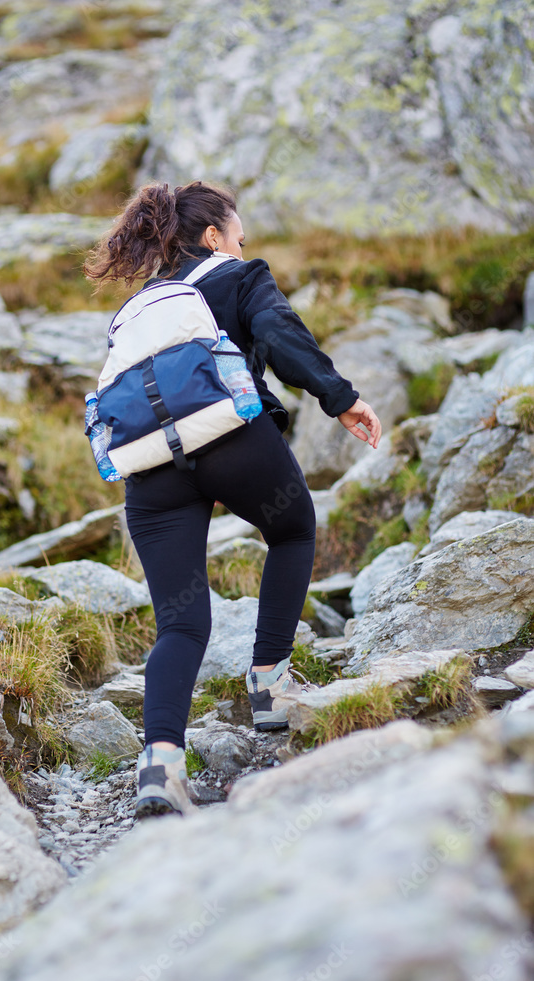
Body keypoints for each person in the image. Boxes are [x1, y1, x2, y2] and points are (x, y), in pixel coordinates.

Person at [84, 180, 381, 820]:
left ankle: (161, 766)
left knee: (182, 626)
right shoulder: (238, 277)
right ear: (214, 236)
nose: (244, 242)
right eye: (238, 232)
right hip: (232, 442)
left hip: (153, 473)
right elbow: (277, 335)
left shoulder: (139, 307)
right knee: (295, 529)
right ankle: (269, 681)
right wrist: (341, 397)